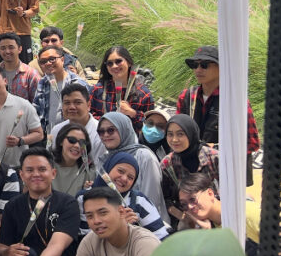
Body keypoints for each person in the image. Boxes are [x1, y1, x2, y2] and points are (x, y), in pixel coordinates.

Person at [0, 148, 80, 256]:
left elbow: (57, 245)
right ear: (21, 175)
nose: (36, 174)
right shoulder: (12, 206)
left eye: (42, 169)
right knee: (23, 254)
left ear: (53, 173)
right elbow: (0, 249)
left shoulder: (68, 204)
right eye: (29, 170)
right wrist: (7, 253)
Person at [176, 45, 260, 173]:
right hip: (193, 172)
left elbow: (251, 143)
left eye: (204, 65)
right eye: (195, 65)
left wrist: (213, 149)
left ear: (222, 68)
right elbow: (176, 132)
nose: (198, 69)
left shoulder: (235, 101)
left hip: (226, 173)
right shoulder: (186, 96)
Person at [79, 153, 170, 240]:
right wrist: (119, 227)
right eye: (120, 171)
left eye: (130, 177)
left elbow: (161, 237)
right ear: (109, 168)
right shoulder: (84, 198)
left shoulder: (139, 201)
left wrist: (134, 229)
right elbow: (85, 239)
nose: (124, 178)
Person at [95, 112, 168, 220]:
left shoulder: (144, 156)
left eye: (111, 130)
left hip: (145, 223)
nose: (105, 135)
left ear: (124, 129)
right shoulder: (104, 159)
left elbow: (151, 198)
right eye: (101, 131)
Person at [176, 172, 260, 256]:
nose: (190, 206)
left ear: (210, 193)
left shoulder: (244, 212)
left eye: (192, 199)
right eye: (184, 204)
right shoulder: (208, 227)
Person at [160, 114, 220, 228]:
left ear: (191, 133)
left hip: (219, 214)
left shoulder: (214, 157)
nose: (174, 140)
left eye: (180, 134)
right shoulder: (168, 164)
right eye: (170, 134)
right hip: (190, 217)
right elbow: (165, 199)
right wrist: (184, 217)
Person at [90, 46, 154, 132]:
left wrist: (132, 113)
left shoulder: (144, 94)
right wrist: (107, 122)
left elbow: (151, 128)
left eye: (118, 61)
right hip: (101, 137)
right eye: (110, 63)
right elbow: (87, 116)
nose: (114, 66)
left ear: (129, 62)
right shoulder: (97, 90)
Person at [33, 45, 89, 133]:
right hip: (48, 135)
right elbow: (36, 110)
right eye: (43, 62)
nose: (48, 63)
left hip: (72, 134)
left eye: (52, 59)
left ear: (62, 60)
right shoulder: (43, 82)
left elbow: (84, 115)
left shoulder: (77, 84)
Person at [48, 83, 106, 165]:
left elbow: (99, 168)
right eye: (67, 103)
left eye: (77, 102)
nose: (71, 107)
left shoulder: (100, 134)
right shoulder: (56, 130)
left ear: (88, 105)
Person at [51, 123, 95, 196]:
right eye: (72, 140)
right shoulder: (47, 165)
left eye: (82, 142)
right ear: (61, 141)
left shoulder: (88, 170)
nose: (77, 146)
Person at [0, 34, 42, 103]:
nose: (7, 51)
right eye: (3, 48)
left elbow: (38, 102)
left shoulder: (30, 74)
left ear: (20, 49)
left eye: (11, 47)